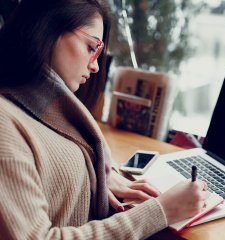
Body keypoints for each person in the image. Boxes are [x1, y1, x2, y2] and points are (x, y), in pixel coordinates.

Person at [0, 0, 209, 239]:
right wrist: (162, 210)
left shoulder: (40, 106)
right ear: (48, 29)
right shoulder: (5, 124)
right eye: (92, 47)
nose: (97, 66)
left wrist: (98, 174)